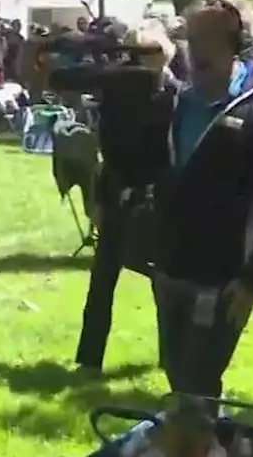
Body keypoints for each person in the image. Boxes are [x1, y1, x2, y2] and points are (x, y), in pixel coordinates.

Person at [155, 0, 253, 404]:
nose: (195, 48)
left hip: (223, 280)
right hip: (171, 269)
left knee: (198, 385)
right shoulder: (180, 102)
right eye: (191, 38)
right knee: (179, 375)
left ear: (237, 42)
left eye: (208, 38)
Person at [47, 19, 180, 373]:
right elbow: (64, 79)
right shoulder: (117, 90)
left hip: (158, 198)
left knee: (163, 283)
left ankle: (172, 361)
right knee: (103, 278)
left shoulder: (176, 95)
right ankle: (89, 360)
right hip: (117, 189)